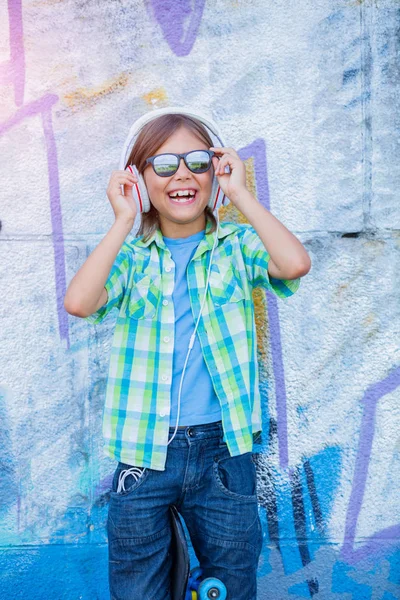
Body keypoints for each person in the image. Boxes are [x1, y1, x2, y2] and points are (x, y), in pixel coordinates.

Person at [64, 108, 311, 600]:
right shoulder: (131, 258)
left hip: (224, 451)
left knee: (232, 584)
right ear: (137, 179)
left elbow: (294, 262)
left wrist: (239, 194)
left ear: (215, 172)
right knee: (139, 588)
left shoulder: (236, 247)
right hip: (144, 453)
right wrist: (123, 220)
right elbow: (79, 302)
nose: (182, 174)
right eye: (163, 164)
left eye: (198, 161)